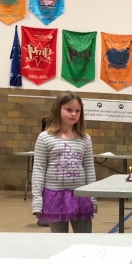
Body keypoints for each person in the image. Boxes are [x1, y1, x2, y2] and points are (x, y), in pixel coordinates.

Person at [31, 91, 97, 233]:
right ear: (57, 110)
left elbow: (89, 169)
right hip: (54, 197)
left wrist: (92, 197)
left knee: (84, 239)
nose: (73, 114)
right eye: (69, 110)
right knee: (59, 240)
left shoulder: (85, 139)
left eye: (77, 111)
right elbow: (39, 169)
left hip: (80, 196)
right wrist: (37, 200)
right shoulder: (45, 138)